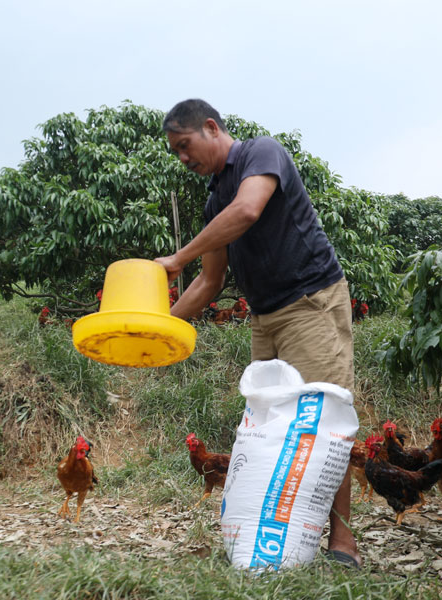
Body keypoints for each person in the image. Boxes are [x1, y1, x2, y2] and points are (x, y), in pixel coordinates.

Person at [154, 98, 360, 568]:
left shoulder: (261, 153)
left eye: (185, 145)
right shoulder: (213, 198)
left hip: (310, 302)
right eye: (176, 152)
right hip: (264, 317)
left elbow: (248, 211)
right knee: (273, 428)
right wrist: (161, 330)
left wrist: (176, 258)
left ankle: (342, 542)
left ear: (211, 127)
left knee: (322, 422)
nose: (183, 158)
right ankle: (286, 532)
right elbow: (209, 281)